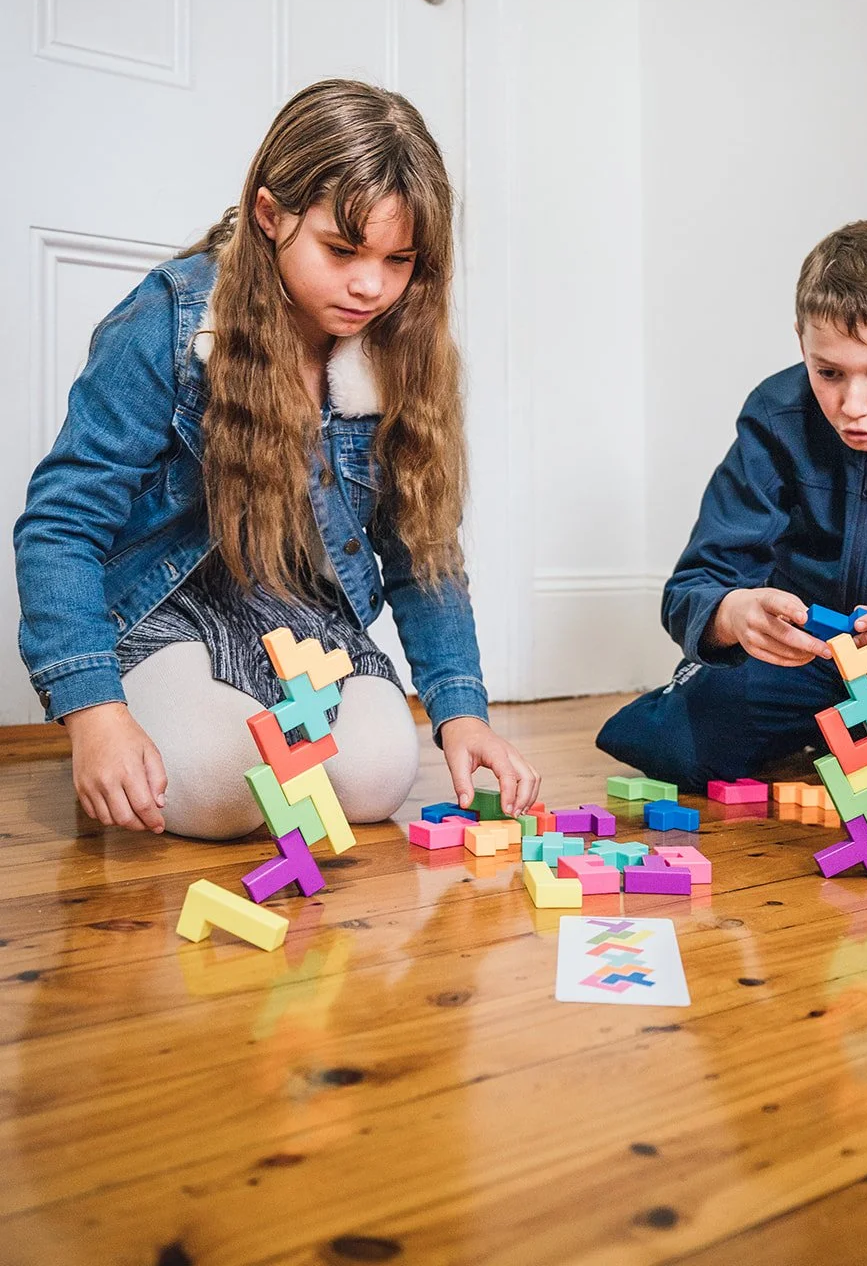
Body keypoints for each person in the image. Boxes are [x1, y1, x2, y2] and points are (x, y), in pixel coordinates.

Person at [15, 79, 539, 838]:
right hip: (172, 606)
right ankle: (171, 729)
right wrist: (95, 712)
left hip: (304, 621)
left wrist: (462, 714)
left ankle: (244, 728)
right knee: (221, 782)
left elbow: (423, 555)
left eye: (400, 261)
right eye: (341, 250)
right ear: (270, 214)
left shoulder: (397, 351)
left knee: (373, 778)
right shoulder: (170, 320)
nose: (370, 285)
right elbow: (61, 525)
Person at [597, 220, 867, 829]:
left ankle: (852, 745)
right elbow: (698, 581)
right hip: (797, 661)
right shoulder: (775, 416)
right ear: (801, 345)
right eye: (828, 372)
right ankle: (828, 735)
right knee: (669, 749)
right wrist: (732, 616)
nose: (853, 406)